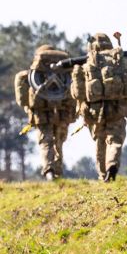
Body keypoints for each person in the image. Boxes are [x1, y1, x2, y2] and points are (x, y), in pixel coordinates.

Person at [72, 33, 127, 182]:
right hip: (118, 107)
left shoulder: (87, 64)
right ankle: (112, 165)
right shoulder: (122, 59)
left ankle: (103, 175)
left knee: (100, 141)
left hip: (94, 110)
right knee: (115, 140)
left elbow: (77, 93)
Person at [13, 46, 78, 181]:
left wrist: (28, 108)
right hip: (62, 113)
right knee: (59, 141)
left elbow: (22, 99)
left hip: (41, 114)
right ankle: (58, 171)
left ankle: (49, 170)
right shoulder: (64, 73)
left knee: (46, 142)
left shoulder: (32, 75)